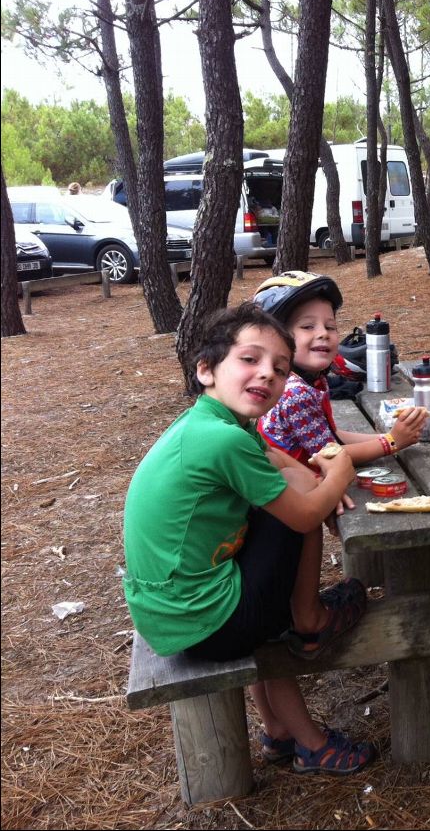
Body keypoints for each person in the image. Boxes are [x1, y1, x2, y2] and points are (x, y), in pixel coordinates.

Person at [123, 302, 375, 774]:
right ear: (205, 370)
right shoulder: (224, 440)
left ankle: (281, 731)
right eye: (250, 359)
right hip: (205, 623)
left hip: (174, 612)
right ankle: (312, 621)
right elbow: (300, 517)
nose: (267, 375)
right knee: (287, 516)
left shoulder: (214, 422)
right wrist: (337, 473)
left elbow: (282, 465)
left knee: (283, 498)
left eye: (280, 369)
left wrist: (313, 480)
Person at [254, 271, 428, 472]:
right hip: (298, 491)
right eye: (308, 326)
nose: (323, 334)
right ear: (276, 338)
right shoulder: (295, 393)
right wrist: (392, 441)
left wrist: (391, 436)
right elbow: (328, 456)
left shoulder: (312, 381)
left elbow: (332, 435)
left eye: (330, 326)